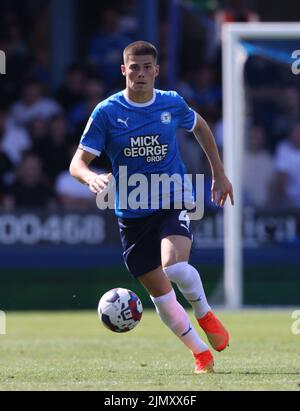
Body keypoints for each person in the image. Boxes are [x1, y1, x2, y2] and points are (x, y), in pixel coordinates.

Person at [70, 41, 234, 374]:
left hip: (173, 199)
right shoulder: (106, 112)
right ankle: (201, 353)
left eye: (147, 67)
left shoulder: (171, 103)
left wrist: (219, 172)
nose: (141, 73)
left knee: (173, 266)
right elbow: (78, 162)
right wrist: (89, 177)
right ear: (123, 70)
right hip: (131, 214)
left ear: (156, 70)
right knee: (161, 295)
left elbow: (200, 126)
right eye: (134, 67)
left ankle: (203, 311)